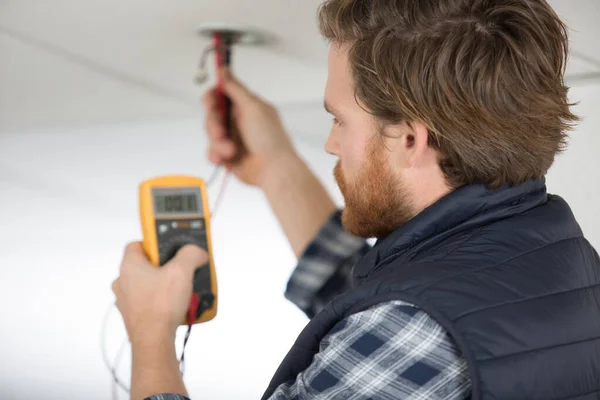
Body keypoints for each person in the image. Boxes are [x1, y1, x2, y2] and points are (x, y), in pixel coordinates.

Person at [111, 0, 600, 399]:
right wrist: (274, 166)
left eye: (339, 119)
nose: (330, 143)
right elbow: (383, 293)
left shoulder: (410, 330)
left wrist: (151, 334)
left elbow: (398, 322)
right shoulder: (558, 256)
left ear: (410, 140)